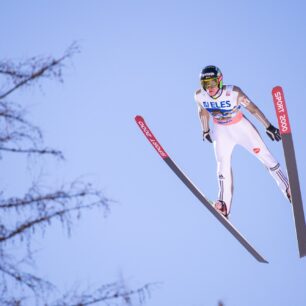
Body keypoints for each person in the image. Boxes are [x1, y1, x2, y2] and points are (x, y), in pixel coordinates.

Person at [194, 65, 291, 218]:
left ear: (219, 81)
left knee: (264, 155)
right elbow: (203, 112)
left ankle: (287, 188)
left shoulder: (233, 92)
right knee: (222, 164)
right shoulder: (200, 96)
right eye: (206, 84)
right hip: (221, 131)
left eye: (212, 83)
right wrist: (205, 130)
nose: (210, 88)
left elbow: (252, 108)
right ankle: (223, 205)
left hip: (241, 128)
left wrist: (268, 126)